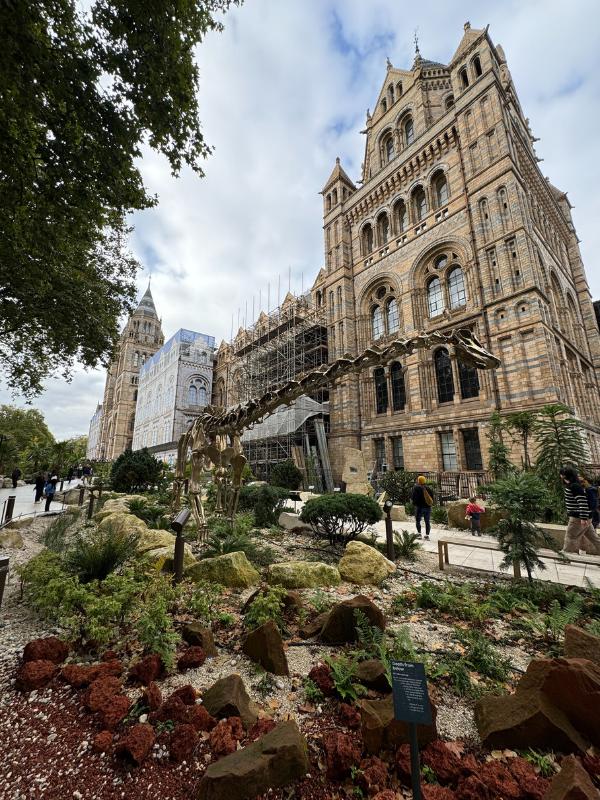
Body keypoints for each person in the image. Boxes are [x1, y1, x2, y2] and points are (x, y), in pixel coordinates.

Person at [559, 466, 600, 554]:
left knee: (570, 537)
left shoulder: (574, 486)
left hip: (578, 518)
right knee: (595, 539)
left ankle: (564, 557)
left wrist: (583, 518)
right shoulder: (575, 485)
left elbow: (582, 502)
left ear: (563, 476)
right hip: (586, 517)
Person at [411, 475, 434, 541]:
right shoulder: (428, 488)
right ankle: (427, 535)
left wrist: (414, 504)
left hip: (419, 507)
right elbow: (432, 498)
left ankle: (419, 534)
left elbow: (413, 498)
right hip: (428, 507)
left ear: (418, 481)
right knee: (427, 521)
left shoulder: (416, 488)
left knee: (418, 521)